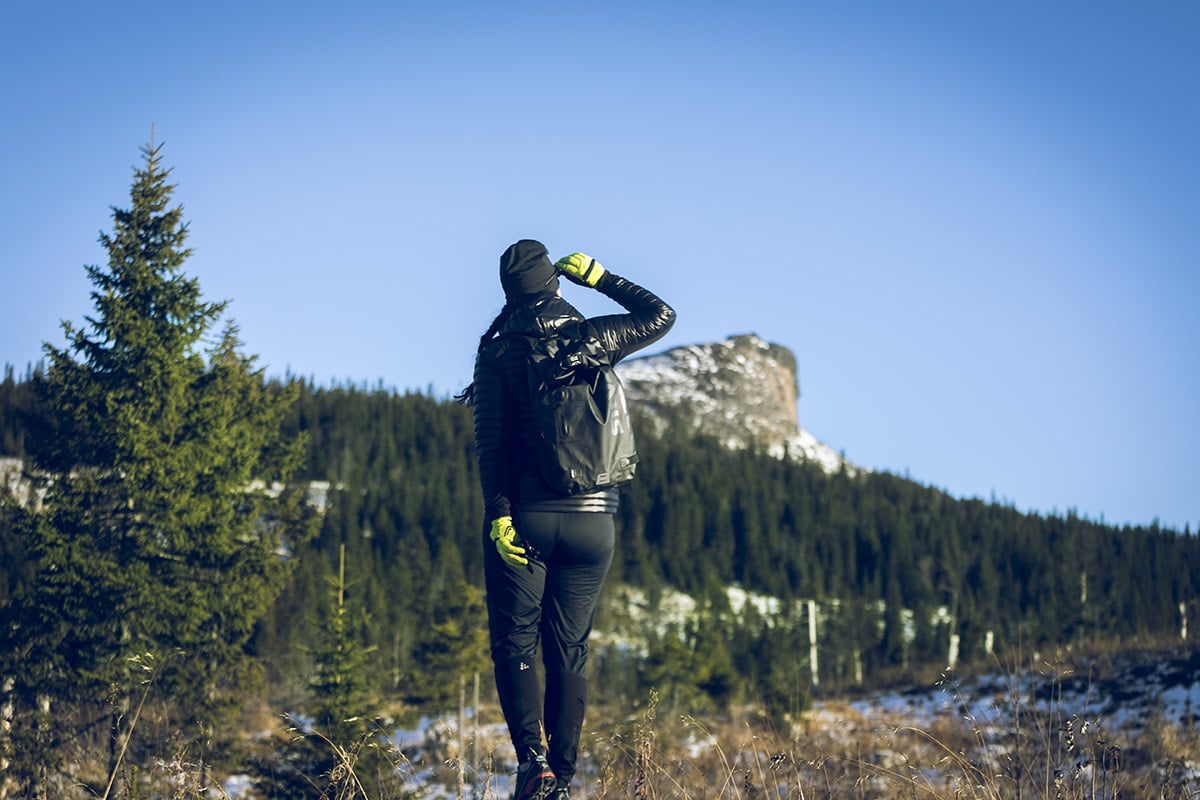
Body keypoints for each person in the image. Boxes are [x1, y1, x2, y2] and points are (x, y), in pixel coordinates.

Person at [460, 240, 675, 800]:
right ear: (553, 283)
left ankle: (534, 765)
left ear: (509, 291)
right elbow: (661, 315)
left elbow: (493, 446)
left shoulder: (498, 348)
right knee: (571, 645)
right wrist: (600, 276)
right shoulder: (592, 335)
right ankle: (566, 772)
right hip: (595, 519)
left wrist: (499, 517)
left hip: (528, 515)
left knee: (516, 640)